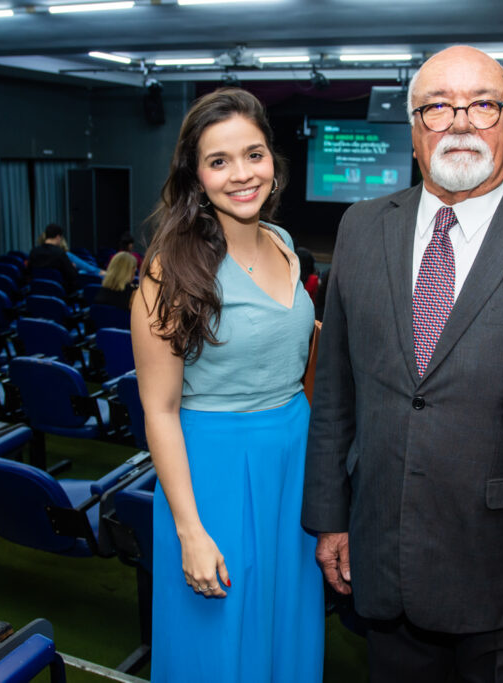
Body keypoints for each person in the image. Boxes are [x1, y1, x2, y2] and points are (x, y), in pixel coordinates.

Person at [302, 46, 503, 682]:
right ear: (415, 130)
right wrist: (330, 518)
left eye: (482, 104)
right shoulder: (360, 229)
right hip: (384, 563)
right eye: (437, 107)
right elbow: (335, 390)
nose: (460, 121)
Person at [131, 88, 323, 682]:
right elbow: (159, 410)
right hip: (213, 469)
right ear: (196, 175)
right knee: (217, 645)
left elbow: (301, 352)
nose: (242, 175)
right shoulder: (168, 272)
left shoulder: (285, 244)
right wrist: (190, 530)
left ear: (274, 161)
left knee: (287, 624)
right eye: (219, 161)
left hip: (292, 458)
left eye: (254, 154)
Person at [27, 223, 77, 291]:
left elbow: (28, 273)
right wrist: (73, 268)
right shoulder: (60, 253)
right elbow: (72, 276)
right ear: (58, 237)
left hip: (38, 291)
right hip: (58, 293)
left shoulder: (34, 251)